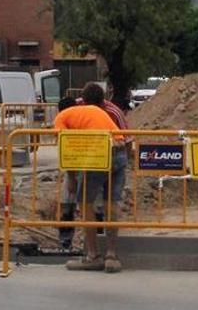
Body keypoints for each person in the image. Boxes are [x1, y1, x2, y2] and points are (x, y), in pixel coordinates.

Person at [53, 82, 128, 273]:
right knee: (112, 202)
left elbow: (67, 147)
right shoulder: (100, 111)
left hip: (100, 154)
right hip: (119, 152)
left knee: (84, 202)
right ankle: (111, 256)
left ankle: (93, 256)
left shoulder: (62, 117)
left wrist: (71, 178)